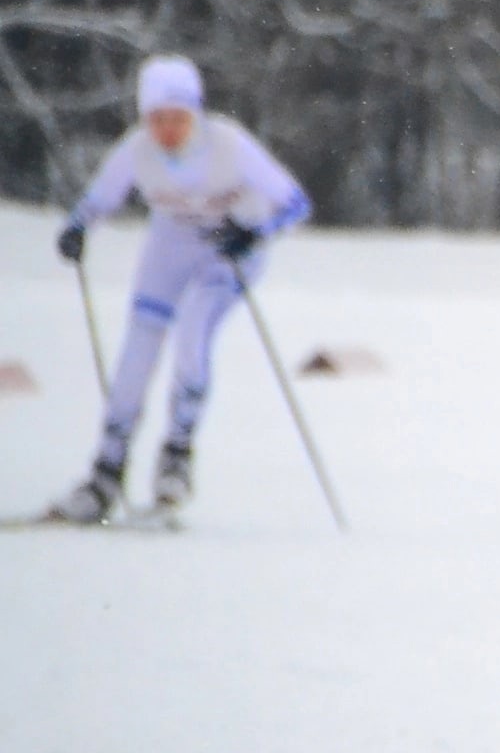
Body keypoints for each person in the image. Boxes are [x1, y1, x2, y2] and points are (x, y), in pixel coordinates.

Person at [47, 55, 311, 521]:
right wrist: (76, 229)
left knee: (192, 330)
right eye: (157, 119)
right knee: (136, 352)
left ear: (196, 114)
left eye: (178, 119)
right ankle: (105, 474)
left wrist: (255, 232)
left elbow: (295, 202)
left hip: (228, 251)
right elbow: (99, 199)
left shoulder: (229, 143)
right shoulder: (137, 150)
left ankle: (176, 459)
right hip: (171, 245)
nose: (167, 131)